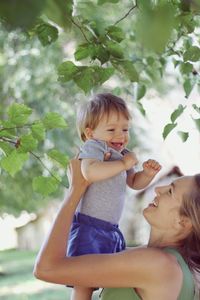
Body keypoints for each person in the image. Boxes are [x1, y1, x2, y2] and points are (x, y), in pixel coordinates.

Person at [34, 158, 200, 300]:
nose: (158, 189)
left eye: (170, 191)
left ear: (184, 222)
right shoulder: (168, 262)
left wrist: (75, 190)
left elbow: (46, 269)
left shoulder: (157, 263)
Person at [67, 93, 161, 299]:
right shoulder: (94, 147)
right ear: (90, 133)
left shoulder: (121, 153)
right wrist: (123, 164)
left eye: (125, 129)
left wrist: (147, 174)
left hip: (110, 229)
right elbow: (89, 172)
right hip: (89, 227)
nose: (120, 135)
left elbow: (134, 182)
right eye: (111, 130)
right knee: (84, 283)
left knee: (105, 277)